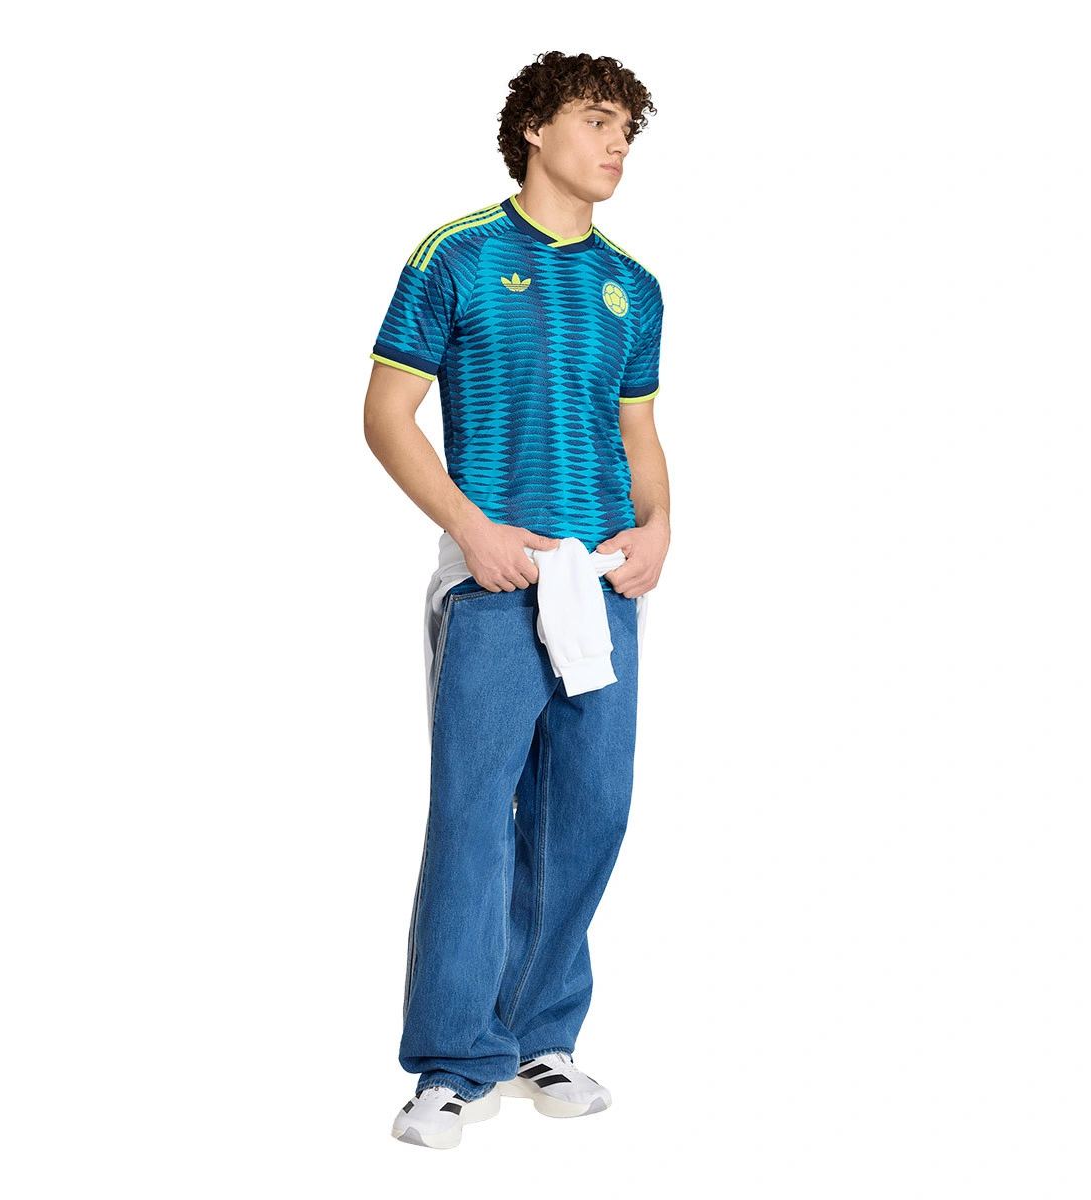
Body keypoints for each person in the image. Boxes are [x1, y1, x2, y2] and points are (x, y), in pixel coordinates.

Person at [363, 49, 670, 1149]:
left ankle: (541, 1034)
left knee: (589, 812)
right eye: (597, 120)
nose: (617, 143)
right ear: (536, 127)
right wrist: (475, 532)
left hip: (606, 583)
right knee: (473, 820)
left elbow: (639, 432)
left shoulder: (634, 284)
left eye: (628, 128)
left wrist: (660, 528)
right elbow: (386, 414)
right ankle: (453, 1062)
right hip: (494, 584)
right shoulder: (455, 255)